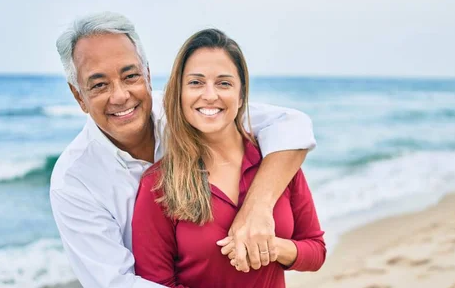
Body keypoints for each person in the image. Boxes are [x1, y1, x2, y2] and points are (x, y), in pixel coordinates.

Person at [50, 12, 316, 288]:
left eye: (130, 76)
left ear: (148, 75)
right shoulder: (73, 182)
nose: (120, 96)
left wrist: (256, 209)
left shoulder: (191, 110)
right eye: (99, 85)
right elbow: (116, 283)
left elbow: (292, 125)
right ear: (78, 96)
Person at [132, 28, 325, 288]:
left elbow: (316, 251)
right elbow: (156, 283)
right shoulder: (158, 183)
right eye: (196, 82)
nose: (210, 95)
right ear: (179, 94)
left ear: (242, 95)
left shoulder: (275, 161)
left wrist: (272, 247)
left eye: (224, 83)